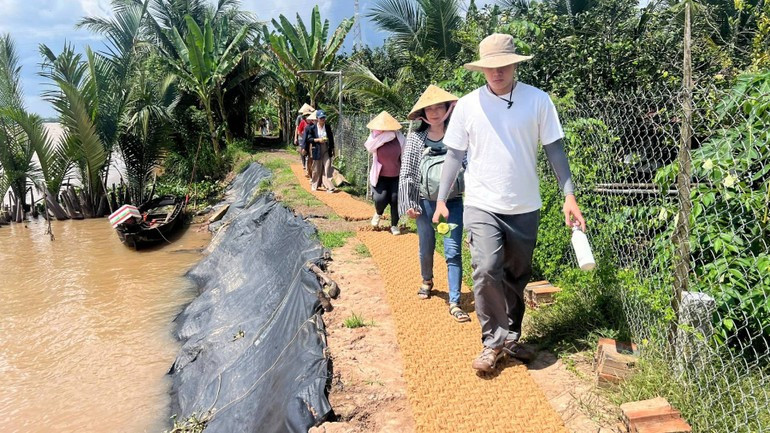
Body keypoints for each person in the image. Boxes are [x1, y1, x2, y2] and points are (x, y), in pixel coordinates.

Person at [433, 33, 586, 372]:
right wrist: (442, 198)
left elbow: (554, 149)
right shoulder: (468, 106)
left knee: (516, 274)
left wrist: (569, 195)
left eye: (503, 65)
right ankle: (492, 343)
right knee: (487, 268)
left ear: (515, 65)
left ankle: (511, 337)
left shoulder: (538, 101)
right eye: (490, 67)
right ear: (481, 69)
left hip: (525, 205)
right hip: (482, 202)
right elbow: (454, 154)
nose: (497, 72)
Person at [397, 85, 470, 323]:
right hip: (425, 203)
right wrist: (409, 204)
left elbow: (469, 165)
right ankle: (427, 280)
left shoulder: (458, 134)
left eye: (440, 107)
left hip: (453, 203)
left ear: (449, 109)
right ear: (423, 114)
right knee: (426, 246)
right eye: (430, 108)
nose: (435, 112)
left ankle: (455, 301)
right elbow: (407, 172)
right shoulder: (416, 139)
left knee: (453, 251)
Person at [365, 111, 405, 236]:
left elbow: (404, 154)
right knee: (380, 199)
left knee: (395, 199)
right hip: (380, 175)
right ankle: (378, 212)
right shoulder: (375, 136)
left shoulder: (399, 137)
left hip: (396, 175)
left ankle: (394, 225)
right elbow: (369, 147)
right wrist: (384, 137)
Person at [303, 110, 336, 192]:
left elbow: (331, 139)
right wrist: (318, 140)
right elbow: (309, 139)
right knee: (316, 169)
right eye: (321, 118)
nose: (323, 119)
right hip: (317, 149)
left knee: (327, 167)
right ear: (317, 119)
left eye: (324, 118)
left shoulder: (327, 127)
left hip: (326, 149)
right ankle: (315, 184)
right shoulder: (312, 128)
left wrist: (332, 149)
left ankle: (329, 187)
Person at [295, 103, 314, 171]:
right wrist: (301, 138)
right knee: (302, 150)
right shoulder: (301, 120)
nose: (308, 116)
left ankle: (309, 166)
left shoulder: (312, 122)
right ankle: (303, 163)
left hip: (309, 139)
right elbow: (298, 130)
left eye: (309, 115)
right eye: (306, 115)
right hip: (302, 138)